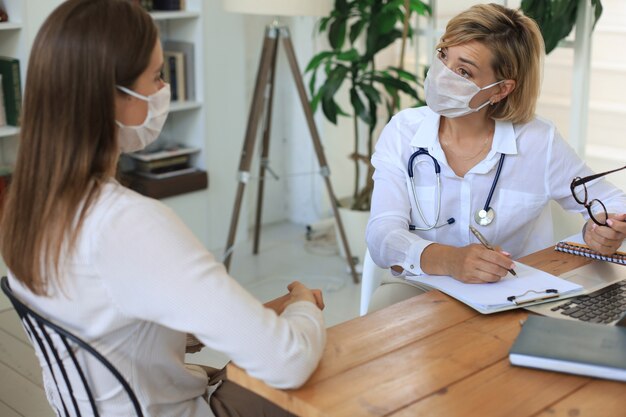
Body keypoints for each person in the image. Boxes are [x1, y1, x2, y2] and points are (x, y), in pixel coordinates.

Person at [0, 1, 325, 416]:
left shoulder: (30, 209)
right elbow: (289, 361)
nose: (162, 91)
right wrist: (302, 304)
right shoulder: (127, 224)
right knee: (331, 368)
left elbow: (121, 323)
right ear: (109, 97)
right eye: (155, 76)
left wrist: (254, 316)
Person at [365, 3, 626, 312]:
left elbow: (613, 204)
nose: (442, 75)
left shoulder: (537, 141)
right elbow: (383, 236)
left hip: (513, 292)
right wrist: (449, 260)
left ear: (501, 89)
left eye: (464, 71)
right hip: (420, 285)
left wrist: (597, 232)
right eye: (442, 55)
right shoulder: (402, 132)